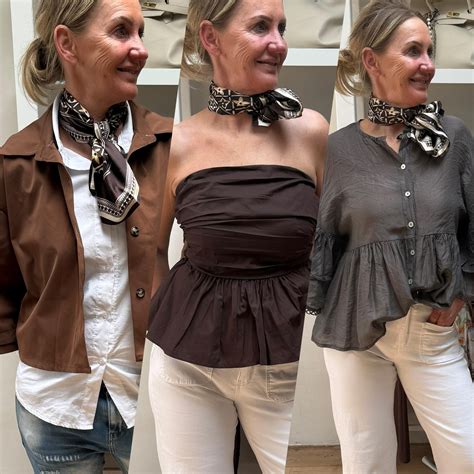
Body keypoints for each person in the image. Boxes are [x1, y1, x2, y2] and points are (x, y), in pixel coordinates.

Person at [146, 0, 328, 471]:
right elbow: (151, 250)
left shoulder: (312, 132)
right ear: (211, 38)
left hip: (288, 364)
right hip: (188, 368)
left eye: (282, 28)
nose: (278, 44)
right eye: (260, 27)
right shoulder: (174, 143)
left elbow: (338, 244)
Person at [0, 0, 172, 472]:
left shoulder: (170, 147)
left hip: (155, 397)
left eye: (141, 32)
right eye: (121, 31)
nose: (140, 49)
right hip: (55, 406)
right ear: (66, 43)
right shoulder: (15, 163)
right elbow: (5, 285)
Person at [306, 1, 473, 473]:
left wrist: (462, 290)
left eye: (430, 51)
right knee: (366, 461)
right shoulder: (337, 149)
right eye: (413, 51)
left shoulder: (454, 138)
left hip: (429, 330)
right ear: (372, 61)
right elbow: (324, 236)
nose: (428, 64)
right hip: (355, 330)